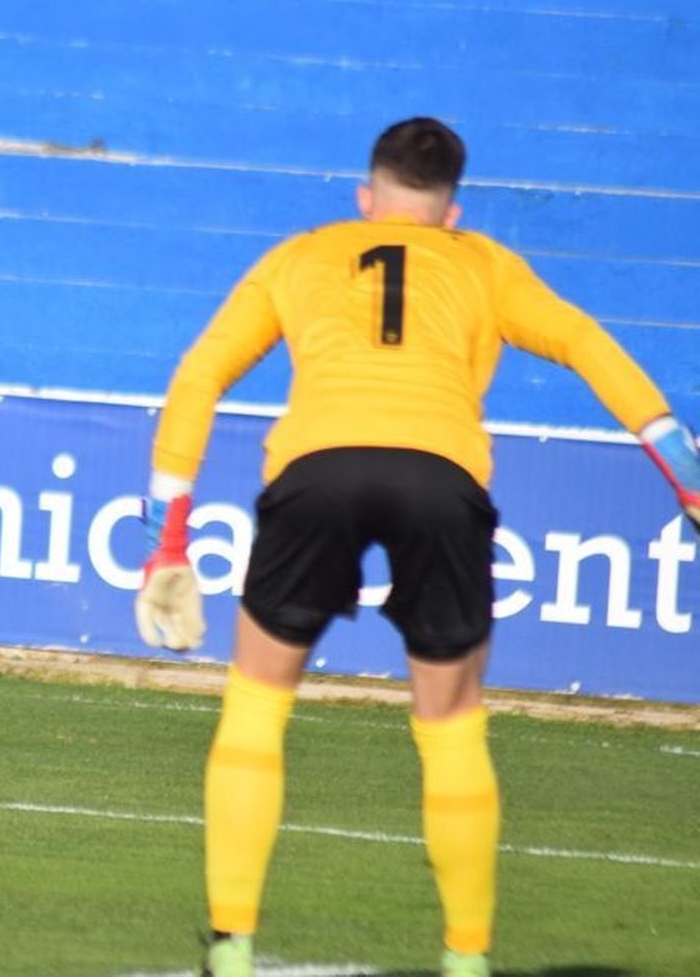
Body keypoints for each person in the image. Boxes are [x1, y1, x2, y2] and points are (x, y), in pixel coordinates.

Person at [133, 117, 700, 977]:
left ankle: (232, 947)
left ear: (367, 199)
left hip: (316, 470)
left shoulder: (304, 253)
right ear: (451, 213)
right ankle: (465, 960)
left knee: (256, 704)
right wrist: (685, 472)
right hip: (441, 477)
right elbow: (586, 343)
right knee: (449, 724)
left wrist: (166, 538)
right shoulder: (482, 263)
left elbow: (200, 373)